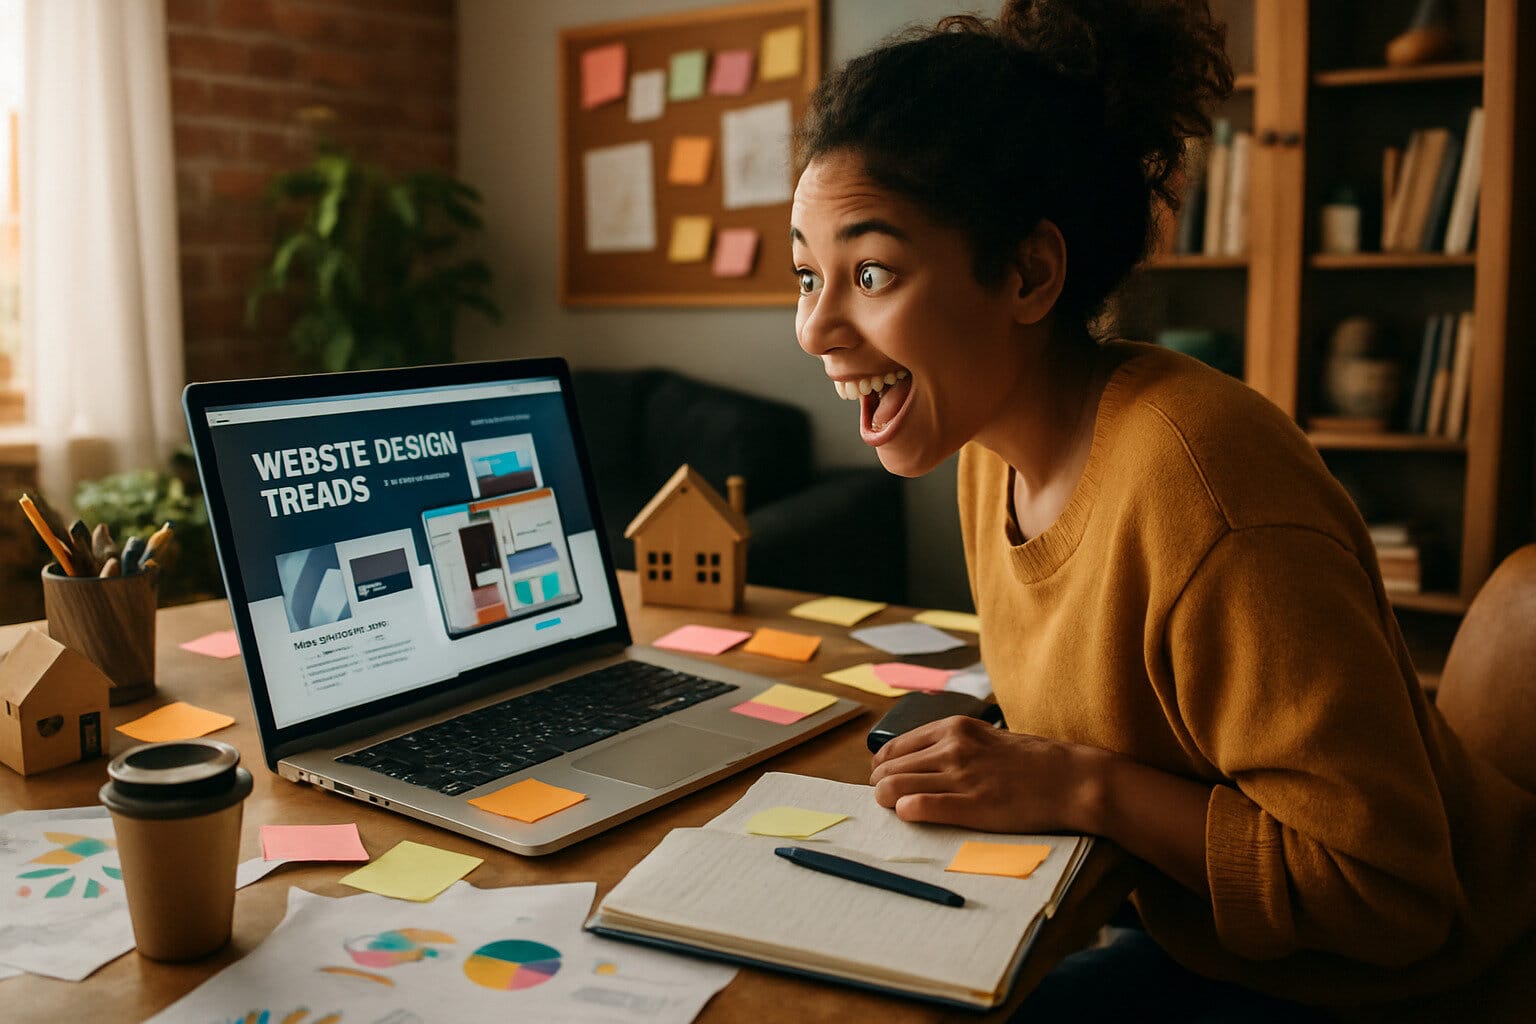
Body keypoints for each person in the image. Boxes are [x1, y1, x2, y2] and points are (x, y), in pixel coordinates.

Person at [787, 1, 1536, 1020]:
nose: (816, 326)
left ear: (1028, 272)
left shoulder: (1202, 481)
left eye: (869, 272)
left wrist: (1081, 787)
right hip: (1198, 935)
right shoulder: (985, 447)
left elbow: (1389, 897)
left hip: (1384, 988)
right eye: (806, 274)